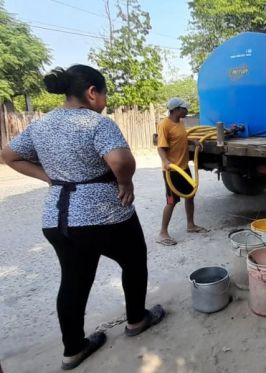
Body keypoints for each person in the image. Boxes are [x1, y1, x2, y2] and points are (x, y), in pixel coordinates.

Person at [1, 65, 165, 370]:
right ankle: (136, 320)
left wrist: (50, 178)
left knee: (73, 282)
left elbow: (8, 155)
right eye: (103, 94)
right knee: (133, 261)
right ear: (92, 92)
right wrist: (126, 182)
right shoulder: (96, 123)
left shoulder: (40, 125)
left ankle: (73, 350)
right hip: (106, 216)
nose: (104, 101)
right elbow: (120, 160)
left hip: (58, 220)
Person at [156, 97, 208, 246]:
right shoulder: (164, 125)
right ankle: (163, 233)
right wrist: (166, 162)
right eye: (185, 108)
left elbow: (182, 138)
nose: (187, 110)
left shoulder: (180, 122)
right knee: (171, 202)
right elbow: (160, 147)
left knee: (190, 196)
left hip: (183, 169)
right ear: (177, 109)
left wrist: (193, 142)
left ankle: (190, 225)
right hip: (172, 170)